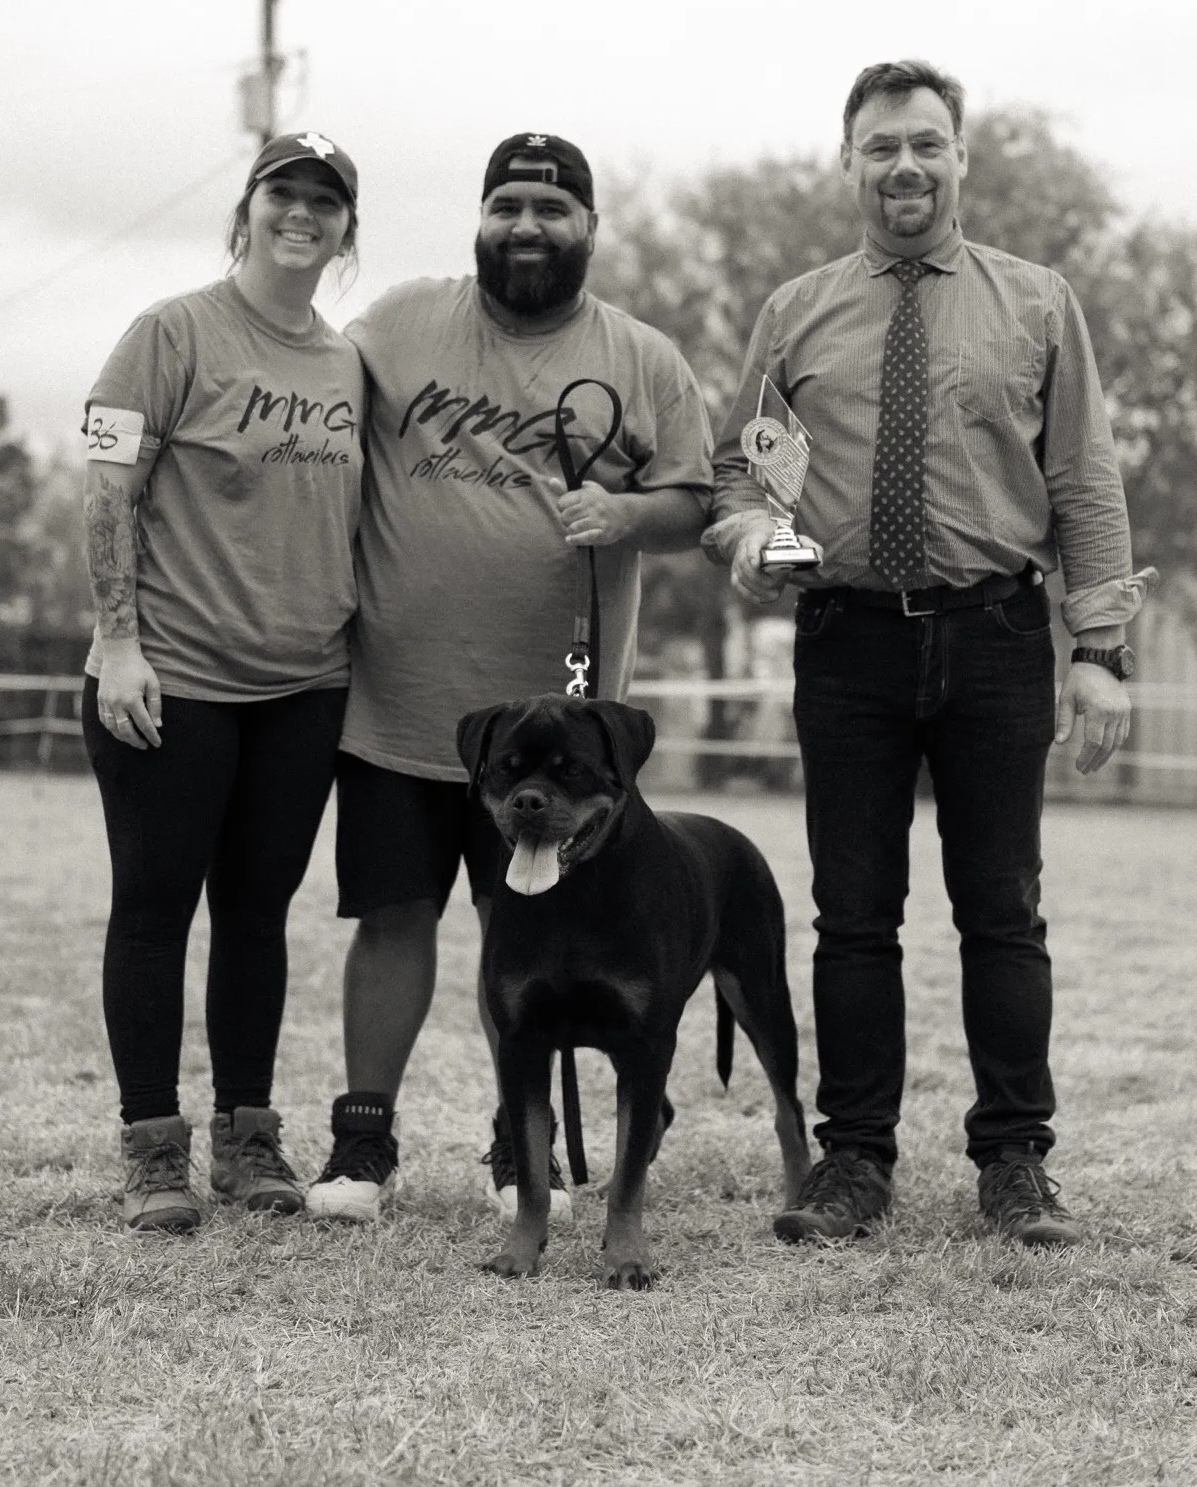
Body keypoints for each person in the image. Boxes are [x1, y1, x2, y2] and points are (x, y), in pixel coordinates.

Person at [704, 60, 1154, 1248]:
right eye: (880, 147)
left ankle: (1015, 1160)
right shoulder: (796, 313)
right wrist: (750, 535)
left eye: (925, 143)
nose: (904, 166)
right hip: (845, 641)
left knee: (1003, 911)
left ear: (961, 158)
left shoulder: (1038, 303)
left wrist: (1099, 648)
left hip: (996, 634)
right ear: (847, 163)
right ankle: (854, 1159)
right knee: (853, 916)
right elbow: (746, 469)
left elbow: (1084, 479)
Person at [305, 132, 713, 1222]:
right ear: (480, 219)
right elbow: (309, 400)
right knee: (392, 918)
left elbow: (695, 503)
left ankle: (513, 1147)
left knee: (525, 933)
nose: (527, 226)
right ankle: (361, 1147)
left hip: (557, 738)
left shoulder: (642, 357)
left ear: (591, 227)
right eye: (507, 207)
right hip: (398, 704)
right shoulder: (397, 323)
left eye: (552, 209)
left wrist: (626, 513)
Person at [82, 132, 366, 1233]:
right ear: (245, 211)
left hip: (305, 686)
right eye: (282, 192)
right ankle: (154, 1147)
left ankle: (250, 1139)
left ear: (347, 230)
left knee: (257, 916)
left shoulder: (347, 363)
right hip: (176, 679)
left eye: (325, 201)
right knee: (156, 912)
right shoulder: (171, 333)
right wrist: (119, 641)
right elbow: (109, 490)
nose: (302, 213)